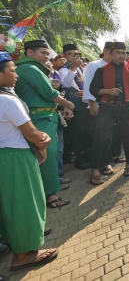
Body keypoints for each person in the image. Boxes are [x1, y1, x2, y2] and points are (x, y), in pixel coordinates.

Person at [0, 51, 60, 272]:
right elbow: (32, 133)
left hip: (3, 156)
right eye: (12, 71)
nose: (16, 76)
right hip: (16, 157)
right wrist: (42, 142)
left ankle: (16, 243)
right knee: (24, 204)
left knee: (8, 204)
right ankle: (24, 254)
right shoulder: (6, 100)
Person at [15, 40, 74, 209]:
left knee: (52, 153)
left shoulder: (29, 68)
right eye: (43, 52)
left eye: (48, 53)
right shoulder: (29, 68)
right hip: (40, 117)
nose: (47, 56)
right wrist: (69, 104)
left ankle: (52, 185)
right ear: (30, 53)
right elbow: (49, 93)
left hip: (45, 115)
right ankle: (51, 195)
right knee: (47, 154)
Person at [89, 42, 129, 185]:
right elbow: (93, 89)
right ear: (111, 54)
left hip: (127, 107)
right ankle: (95, 170)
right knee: (101, 138)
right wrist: (107, 91)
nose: (122, 55)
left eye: (124, 53)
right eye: (118, 53)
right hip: (107, 107)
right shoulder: (101, 70)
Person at [59, 43, 90, 170]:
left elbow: (85, 83)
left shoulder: (81, 69)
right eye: (70, 54)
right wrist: (72, 68)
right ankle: (80, 160)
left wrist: (86, 92)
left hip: (85, 104)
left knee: (86, 133)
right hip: (75, 106)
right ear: (65, 56)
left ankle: (87, 157)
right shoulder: (64, 69)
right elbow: (66, 84)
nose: (74, 57)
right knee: (78, 135)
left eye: (76, 54)